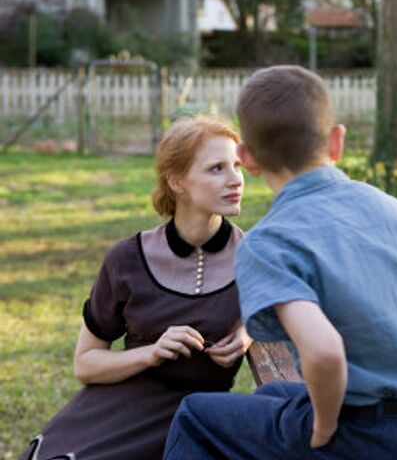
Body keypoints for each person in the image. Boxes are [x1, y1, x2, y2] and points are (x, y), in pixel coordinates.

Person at [162, 65, 397, 459]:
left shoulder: (270, 242)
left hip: (372, 438)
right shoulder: (392, 209)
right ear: (336, 141)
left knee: (195, 415)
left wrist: (322, 427)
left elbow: (323, 352)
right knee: (273, 394)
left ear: (247, 158)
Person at [20, 117, 252, 460]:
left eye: (236, 165)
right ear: (177, 182)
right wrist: (152, 352)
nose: (236, 179)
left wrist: (249, 331)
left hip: (196, 417)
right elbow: (85, 364)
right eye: (217, 168)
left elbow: (293, 317)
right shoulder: (126, 259)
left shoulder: (255, 258)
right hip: (120, 405)